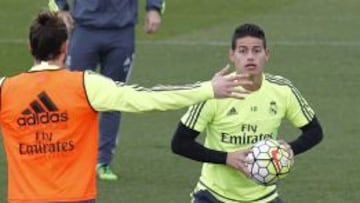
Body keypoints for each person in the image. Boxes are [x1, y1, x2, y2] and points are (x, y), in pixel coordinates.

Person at [0, 12, 253, 203]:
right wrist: (208, 89)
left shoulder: (6, 89)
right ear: (65, 49)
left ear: (30, 47)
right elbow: (148, 98)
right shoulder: (85, 85)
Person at [171, 23, 324, 203]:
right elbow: (179, 143)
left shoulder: (283, 90)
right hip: (213, 196)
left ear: (267, 55)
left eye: (256, 50)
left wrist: (290, 149)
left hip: (264, 197)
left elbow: (315, 131)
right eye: (243, 51)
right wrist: (226, 158)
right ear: (232, 55)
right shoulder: (214, 92)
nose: (250, 57)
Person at [48, 0, 165, 180]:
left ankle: (103, 161)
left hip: (121, 32)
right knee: (73, 97)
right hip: (84, 30)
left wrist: (154, 8)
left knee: (114, 98)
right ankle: (69, 156)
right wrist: (61, 8)